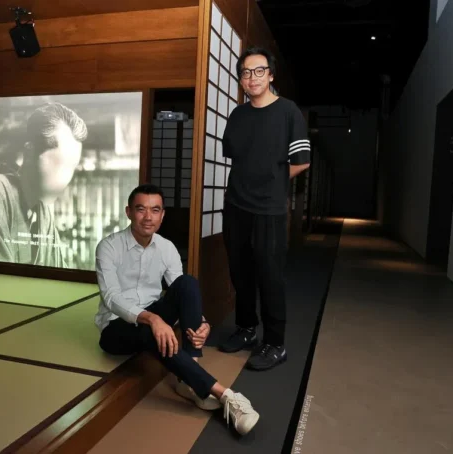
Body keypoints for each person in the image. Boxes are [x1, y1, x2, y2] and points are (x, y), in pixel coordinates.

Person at [94, 184, 260, 436]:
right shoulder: (108, 246)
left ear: (162, 215)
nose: (148, 217)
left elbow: (182, 294)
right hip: (116, 327)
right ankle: (225, 394)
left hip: (153, 315)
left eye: (155, 210)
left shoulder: (167, 248)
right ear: (128, 212)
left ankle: (188, 377)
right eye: (140, 209)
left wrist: (203, 323)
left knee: (187, 283)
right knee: (150, 331)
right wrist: (152, 319)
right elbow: (111, 297)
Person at [218, 47, 311, 371]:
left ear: (271, 75)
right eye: (246, 72)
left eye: (259, 71)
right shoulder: (238, 115)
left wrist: (272, 181)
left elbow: (302, 161)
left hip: (269, 208)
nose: (252, 77)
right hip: (235, 205)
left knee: (270, 276)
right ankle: (246, 328)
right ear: (241, 79)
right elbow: (237, 157)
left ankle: (275, 343)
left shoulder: (288, 112)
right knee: (240, 271)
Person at [0, 102, 87, 268]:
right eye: (60, 165)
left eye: (72, 168)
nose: (66, 178)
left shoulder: (43, 213)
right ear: (30, 152)